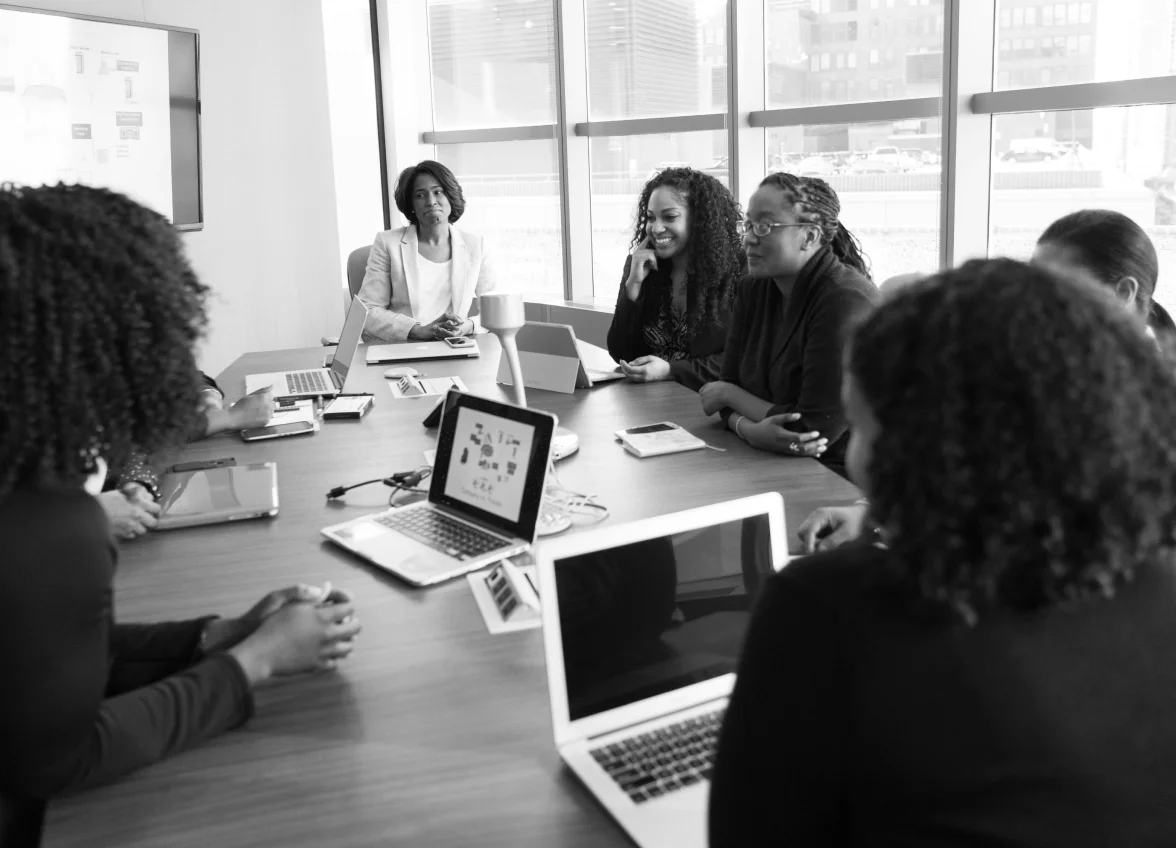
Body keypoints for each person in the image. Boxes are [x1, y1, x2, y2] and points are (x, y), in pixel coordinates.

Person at [710, 259, 1176, 846]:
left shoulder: (830, 605)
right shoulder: (1154, 576)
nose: (855, 460)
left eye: (862, 427)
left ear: (916, 448)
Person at [0, 183, 362, 845]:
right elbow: (62, 760)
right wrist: (258, 659)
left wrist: (220, 634)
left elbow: (57, 658)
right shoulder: (50, 525)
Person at [797, 207, 1172, 552]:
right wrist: (874, 514)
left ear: (1122, 293)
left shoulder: (1156, 411)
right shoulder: (1046, 371)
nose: (1033, 302)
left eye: (1055, 287)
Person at [698, 173, 878, 473]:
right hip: (765, 461)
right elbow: (722, 390)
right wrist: (749, 429)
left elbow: (812, 430)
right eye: (749, 223)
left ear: (809, 236)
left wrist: (732, 399)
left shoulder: (844, 300)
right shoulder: (754, 288)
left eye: (765, 226)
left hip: (842, 477)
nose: (749, 238)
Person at [605, 167, 743, 389]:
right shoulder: (642, 265)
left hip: (709, 399)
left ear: (700, 220)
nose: (656, 228)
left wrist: (671, 370)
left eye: (669, 217)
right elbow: (621, 353)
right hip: (651, 400)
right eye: (650, 218)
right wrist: (633, 286)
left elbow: (742, 359)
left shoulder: (736, 270)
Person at [356, 160, 495, 343]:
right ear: (411, 204)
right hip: (404, 348)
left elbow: (495, 309)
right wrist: (417, 330)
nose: (431, 202)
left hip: (456, 347)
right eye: (420, 195)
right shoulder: (387, 243)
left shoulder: (475, 245)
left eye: (438, 192)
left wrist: (468, 326)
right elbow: (368, 311)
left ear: (451, 196)